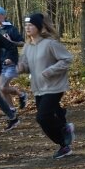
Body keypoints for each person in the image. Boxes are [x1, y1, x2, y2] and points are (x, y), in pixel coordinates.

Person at [17, 12, 74, 159]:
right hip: (38, 88)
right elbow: (27, 66)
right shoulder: (27, 46)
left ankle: (63, 132)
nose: (27, 28)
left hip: (54, 86)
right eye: (26, 25)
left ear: (39, 27)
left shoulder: (50, 43)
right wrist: (20, 67)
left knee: (42, 117)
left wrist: (50, 70)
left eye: (31, 25)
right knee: (46, 118)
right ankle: (64, 141)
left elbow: (67, 59)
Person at [0, 7, 27, 111]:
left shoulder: (11, 29)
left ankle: (21, 94)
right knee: (2, 89)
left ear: (3, 16)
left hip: (11, 62)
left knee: (2, 87)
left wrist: (11, 42)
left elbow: (22, 43)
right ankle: (12, 109)